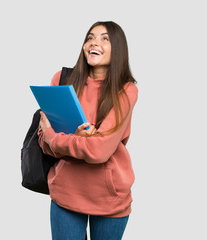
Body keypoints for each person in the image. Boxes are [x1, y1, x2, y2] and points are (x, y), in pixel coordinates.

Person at [38, 21, 138, 240]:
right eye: (90, 37)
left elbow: (99, 151)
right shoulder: (62, 80)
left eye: (104, 38)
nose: (94, 43)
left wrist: (57, 138)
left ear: (118, 48)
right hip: (66, 193)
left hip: (110, 199)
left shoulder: (126, 90)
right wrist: (68, 139)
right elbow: (43, 141)